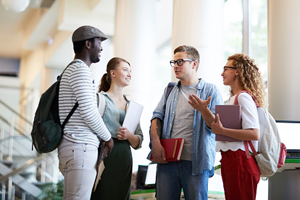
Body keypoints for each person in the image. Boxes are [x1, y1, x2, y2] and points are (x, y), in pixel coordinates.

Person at [149, 45, 223, 200]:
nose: (176, 66)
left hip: (196, 164)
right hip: (167, 161)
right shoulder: (170, 90)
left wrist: (203, 110)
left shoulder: (211, 90)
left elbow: (216, 128)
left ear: (194, 64)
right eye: (174, 62)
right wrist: (155, 144)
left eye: (180, 61)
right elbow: (157, 117)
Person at [57, 25, 114, 200]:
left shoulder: (72, 70)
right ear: (88, 44)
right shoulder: (80, 70)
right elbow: (89, 112)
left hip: (73, 147)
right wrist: (108, 138)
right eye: (99, 42)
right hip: (80, 148)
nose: (102, 48)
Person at [211, 53, 266, 200]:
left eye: (226, 68)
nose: (222, 73)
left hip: (240, 160)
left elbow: (254, 133)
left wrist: (222, 131)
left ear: (237, 71)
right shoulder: (233, 98)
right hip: (232, 159)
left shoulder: (243, 97)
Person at [91, 57, 143, 200]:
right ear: (112, 73)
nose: (129, 74)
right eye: (125, 69)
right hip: (105, 155)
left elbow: (139, 141)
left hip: (125, 158)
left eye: (130, 71)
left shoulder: (132, 105)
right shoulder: (99, 99)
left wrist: (129, 136)